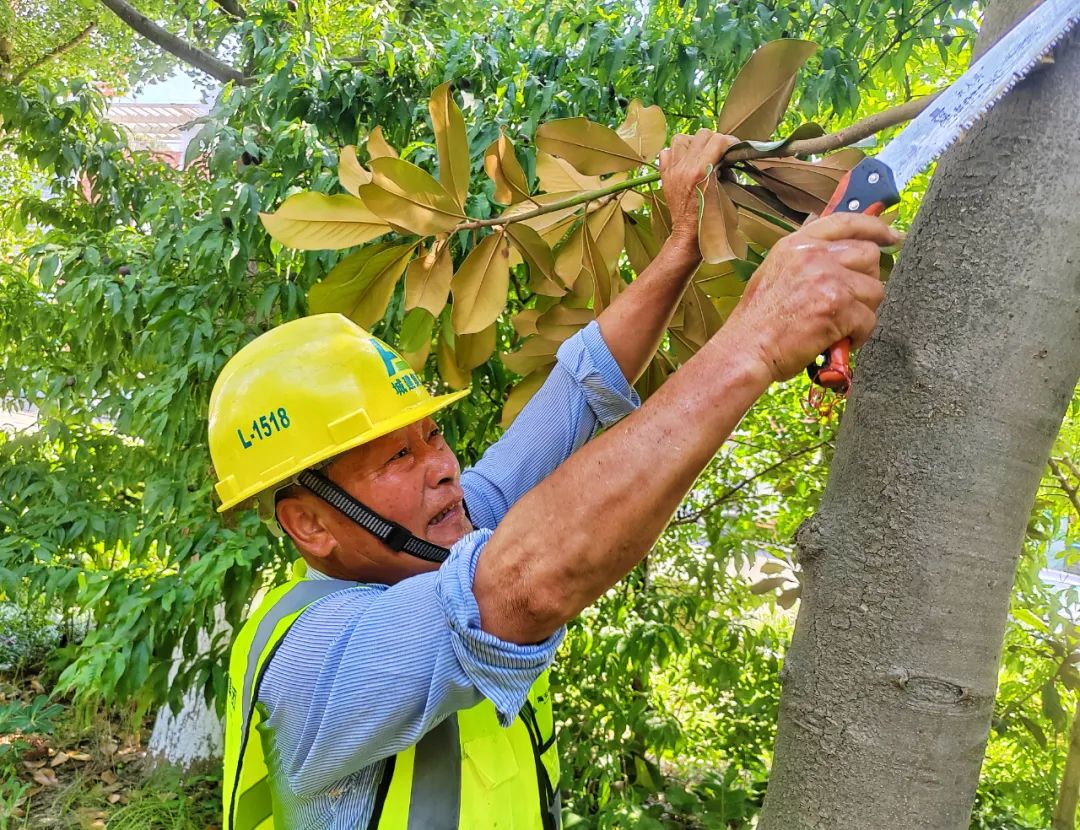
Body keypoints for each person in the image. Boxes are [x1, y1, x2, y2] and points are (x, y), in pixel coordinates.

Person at [210, 128, 896, 830]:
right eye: (396, 459)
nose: (443, 468)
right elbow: (521, 586)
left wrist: (682, 243)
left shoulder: (436, 533)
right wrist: (756, 338)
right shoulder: (309, 661)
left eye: (432, 435)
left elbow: (579, 387)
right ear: (310, 523)